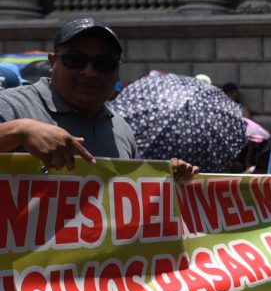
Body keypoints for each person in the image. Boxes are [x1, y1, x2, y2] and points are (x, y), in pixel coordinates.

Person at [0, 17, 196, 178]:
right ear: (53, 62)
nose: (90, 72)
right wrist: (18, 131)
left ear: (117, 71)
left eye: (104, 63)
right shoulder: (12, 106)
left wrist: (166, 177)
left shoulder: (121, 128)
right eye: (76, 60)